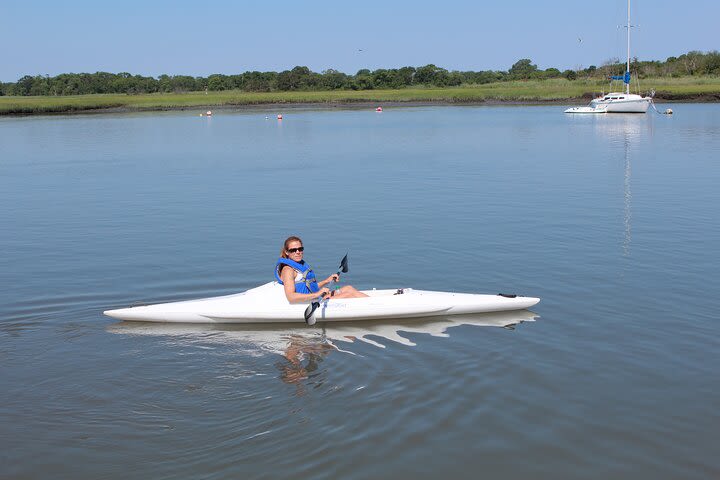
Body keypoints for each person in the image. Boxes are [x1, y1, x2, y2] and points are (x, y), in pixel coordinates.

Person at [275, 236, 368, 303]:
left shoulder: (300, 265)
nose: (298, 252)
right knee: (350, 295)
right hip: (306, 303)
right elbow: (291, 297)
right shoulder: (288, 270)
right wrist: (317, 294)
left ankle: (374, 303)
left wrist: (327, 281)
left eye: (300, 249)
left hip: (314, 298)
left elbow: (310, 286)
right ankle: (376, 305)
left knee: (348, 288)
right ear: (287, 252)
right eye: (293, 250)